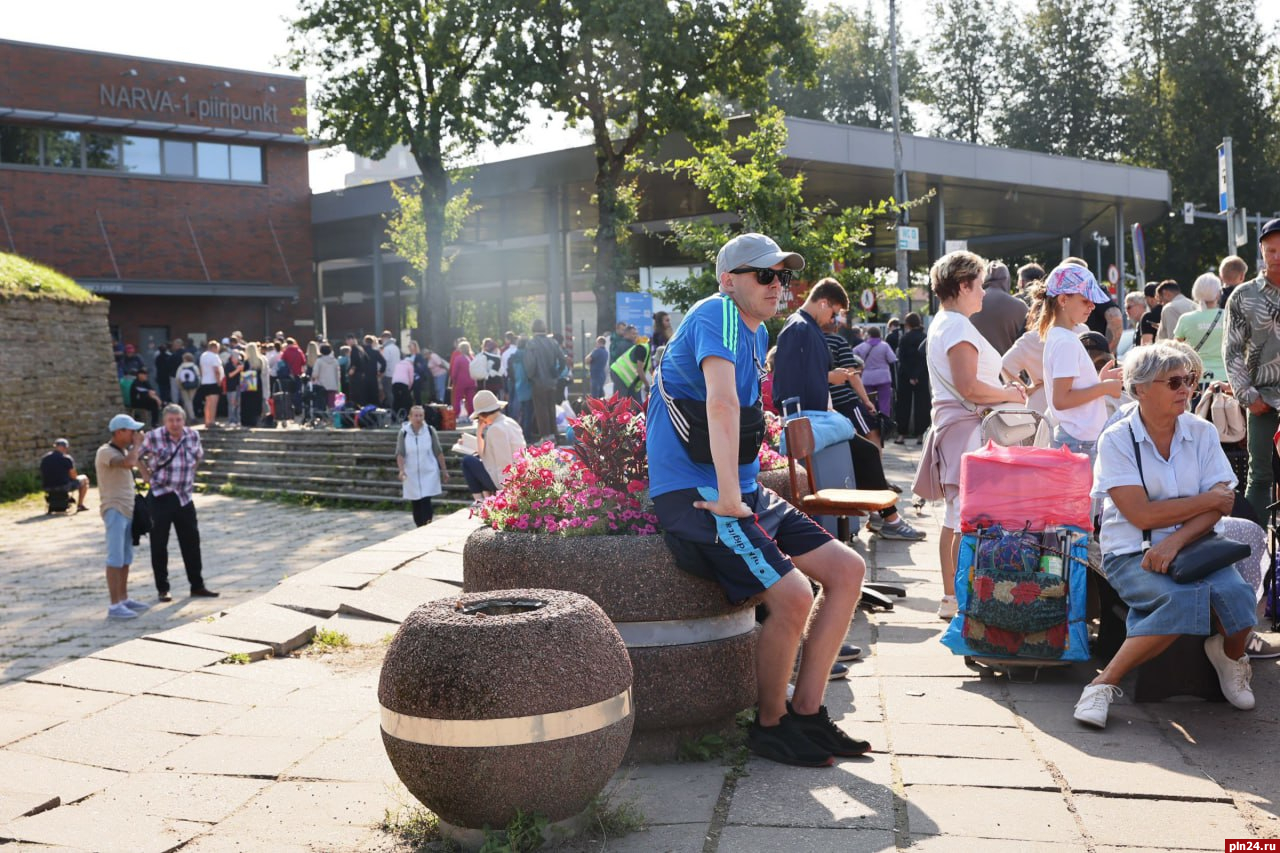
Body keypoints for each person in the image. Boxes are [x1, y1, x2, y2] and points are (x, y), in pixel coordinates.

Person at [648, 232, 870, 768]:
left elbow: (741, 418)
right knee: (794, 597)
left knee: (846, 569)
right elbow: (722, 406)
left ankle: (808, 714)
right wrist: (728, 497)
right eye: (765, 275)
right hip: (701, 496)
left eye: (784, 275)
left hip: (742, 490)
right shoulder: (718, 314)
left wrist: (744, 491)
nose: (779, 285)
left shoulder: (754, 329)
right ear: (729, 280)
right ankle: (770, 727)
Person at [1075, 343, 1256, 728]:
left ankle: (1229, 657)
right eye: (1173, 381)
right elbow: (1139, 513)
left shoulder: (1202, 432)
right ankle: (1102, 685)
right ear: (1139, 389)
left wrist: (1175, 539)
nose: (1186, 389)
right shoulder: (1118, 439)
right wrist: (1205, 500)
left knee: (1240, 598)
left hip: (1196, 547)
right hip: (1132, 552)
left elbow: (1222, 505)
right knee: (1180, 600)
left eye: (1189, 380)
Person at [913, 251, 1026, 620]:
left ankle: (953, 597)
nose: (983, 293)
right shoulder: (957, 326)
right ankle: (959, 597)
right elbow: (969, 387)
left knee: (956, 516)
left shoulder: (944, 322)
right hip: (967, 429)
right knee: (964, 517)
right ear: (963, 286)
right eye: (978, 285)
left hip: (957, 427)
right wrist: (1009, 394)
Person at [817, 308, 924, 540]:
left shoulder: (814, 341)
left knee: (864, 453)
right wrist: (866, 401)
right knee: (870, 449)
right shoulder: (837, 341)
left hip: (825, 409)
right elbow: (853, 374)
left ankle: (880, 506)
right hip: (842, 405)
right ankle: (883, 510)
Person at [1031, 264, 1124, 463]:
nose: (1092, 306)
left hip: (1077, 437)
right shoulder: (1066, 341)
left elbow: (1069, 392)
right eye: (1085, 301)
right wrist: (1104, 387)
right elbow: (1062, 400)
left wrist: (1100, 382)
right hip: (1080, 440)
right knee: (1088, 495)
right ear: (1063, 299)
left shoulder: (1061, 336)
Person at [1224, 218, 1280, 520]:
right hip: (1262, 399)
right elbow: (1231, 349)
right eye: (1271, 250)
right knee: (1259, 477)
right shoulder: (1244, 296)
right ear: (1261, 251)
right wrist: (1248, 396)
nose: (1277, 257)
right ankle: (1252, 552)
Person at [140, 404, 218, 601]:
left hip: (184, 497)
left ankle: (197, 585)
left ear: (183, 420)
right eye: (171, 421)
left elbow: (198, 456)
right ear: (164, 422)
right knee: (159, 544)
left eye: (178, 420)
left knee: (191, 542)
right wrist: (145, 475)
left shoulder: (192, 435)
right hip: (160, 495)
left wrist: (189, 474)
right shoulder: (154, 437)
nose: (175, 424)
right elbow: (136, 456)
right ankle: (163, 588)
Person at [95, 414, 150, 619]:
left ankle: (124, 598)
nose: (135, 434)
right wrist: (137, 446)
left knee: (126, 558)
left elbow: (135, 464)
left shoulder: (124, 451)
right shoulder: (105, 452)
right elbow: (127, 463)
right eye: (131, 431)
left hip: (127, 510)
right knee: (115, 558)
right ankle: (114, 604)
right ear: (119, 432)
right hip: (114, 509)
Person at [460, 389, 526, 503]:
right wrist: (479, 432)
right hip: (518, 475)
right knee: (475, 459)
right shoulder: (509, 421)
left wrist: (505, 491)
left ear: (482, 415)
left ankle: (479, 501)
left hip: (507, 482)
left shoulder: (495, 429)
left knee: (467, 461)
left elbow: (503, 462)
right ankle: (484, 499)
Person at [397, 405, 448, 526]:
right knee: (415, 501)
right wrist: (401, 470)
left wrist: (444, 470)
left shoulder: (429, 431)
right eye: (415, 415)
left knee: (426, 500)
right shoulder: (404, 433)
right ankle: (419, 525)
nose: (418, 418)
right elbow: (400, 453)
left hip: (428, 471)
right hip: (411, 472)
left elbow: (438, 451)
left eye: (421, 415)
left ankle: (427, 524)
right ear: (410, 417)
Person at [1173, 273, 1227, 384]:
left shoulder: (1186, 319)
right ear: (1218, 294)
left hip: (1196, 378)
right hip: (1226, 377)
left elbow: (1176, 350)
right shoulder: (1229, 316)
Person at [969, 261, 1028, 355]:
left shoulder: (969, 303)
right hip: (1009, 367)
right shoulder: (1019, 306)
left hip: (975, 366)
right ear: (1006, 280)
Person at [525, 319, 566, 440]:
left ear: (533, 329)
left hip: (538, 381)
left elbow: (530, 364)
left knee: (541, 409)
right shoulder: (553, 342)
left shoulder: (531, 343)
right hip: (552, 381)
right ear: (545, 329)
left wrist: (531, 376)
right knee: (551, 408)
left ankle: (545, 436)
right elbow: (562, 359)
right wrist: (557, 373)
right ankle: (554, 434)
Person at [894, 313, 930, 444]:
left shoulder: (904, 338)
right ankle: (921, 434)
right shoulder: (925, 337)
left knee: (903, 404)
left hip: (905, 375)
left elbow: (902, 358)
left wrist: (910, 375)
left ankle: (901, 435)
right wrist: (917, 375)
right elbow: (925, 358)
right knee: (922, 405)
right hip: (922, 374)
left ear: (908, 324)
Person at [852, 326, 897, 420]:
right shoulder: (885, 346)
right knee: (884, 402)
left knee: (868, 401)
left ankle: (871, 423)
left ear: (868, 335)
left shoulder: (862, 346)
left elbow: (852, 354)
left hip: (867, 378)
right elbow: (892, 359)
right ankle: (885, 424)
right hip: (883, 377)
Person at [40, 438, 90, 512]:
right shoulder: (66, 458)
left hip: (47, 487)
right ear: (65, 447)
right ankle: (80, 505)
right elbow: (73, 476)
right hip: (63, 486)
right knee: (84, 478)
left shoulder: (45, 458)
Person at [610, 325, 650, 404]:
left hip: (621, 375)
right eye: (633, 334)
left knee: (623, 400)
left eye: (636, 333)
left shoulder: (621, 344)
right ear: (626, 334)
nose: (635, 336)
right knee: (623, 401)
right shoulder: (627, 346)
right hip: (622, 376)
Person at [449, 340, 478, 422]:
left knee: (457, 399)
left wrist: (453, 380)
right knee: (470, 399)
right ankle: (471, 415)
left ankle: (457, 415)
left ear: (460, 349)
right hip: (472, 381)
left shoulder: (458, 358)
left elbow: (454, 372)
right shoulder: (472, 358)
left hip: (460, 382)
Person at [198, 340, 224, 429]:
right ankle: (212, 421)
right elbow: (216, 370)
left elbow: (200, 369)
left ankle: (207, 421)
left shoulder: (203, 355)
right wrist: (219, 381)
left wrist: (202, 377)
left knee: (207, 402)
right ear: (214, 347)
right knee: (213, 403)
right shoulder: (214, 356)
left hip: (204, 381)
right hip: (213, 382)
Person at [241, 342, 267, 427]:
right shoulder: (260, 360)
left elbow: (244, 372)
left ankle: (246, 421)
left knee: (247, 402)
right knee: (256, 402)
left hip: (248, 381)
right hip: (257, 382)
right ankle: (255, 419)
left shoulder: (246, 362)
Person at [1117, 291, 1146, 359]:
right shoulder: (1139, 323)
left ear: (1140, 305)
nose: (1126, 310)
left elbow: (1145, 347)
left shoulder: (1146, 321)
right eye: (1125, 307)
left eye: (1128, 307)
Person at [175, 352, 200, 422]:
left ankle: (190, 417)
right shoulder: (194, 366)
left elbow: (177, 378)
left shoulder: (181, 367)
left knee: (187, 401)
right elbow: (198, 376)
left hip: (183, 386)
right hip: (193, 386)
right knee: (189, 401)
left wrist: (179, 385)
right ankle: (186, 417)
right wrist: (198, 385)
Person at [223, 350, 244, 427]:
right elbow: (229, 375)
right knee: (232, 405)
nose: (237, 360)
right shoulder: (228, 365)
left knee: (238, 404)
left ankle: (238, 420)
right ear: (232, 358)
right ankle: (231, 420)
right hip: (231, 388)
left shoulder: (240, 364)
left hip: (240, 387)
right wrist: (238, 370)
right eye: (236, 358)